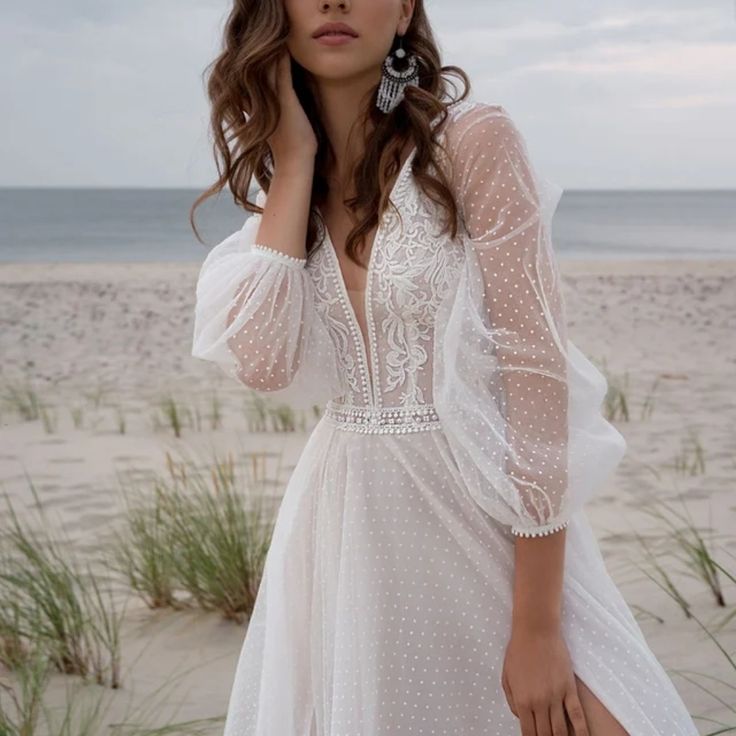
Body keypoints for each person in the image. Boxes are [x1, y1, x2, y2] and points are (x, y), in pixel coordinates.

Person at [190, 1, 700, 734]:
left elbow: (535, 379)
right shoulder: (288, 189)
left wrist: (537, 627)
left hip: (488, 521)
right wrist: (295, 159)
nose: (333, 2)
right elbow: (265, 363)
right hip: (348, 534)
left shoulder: (473, 143)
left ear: (403, 12)